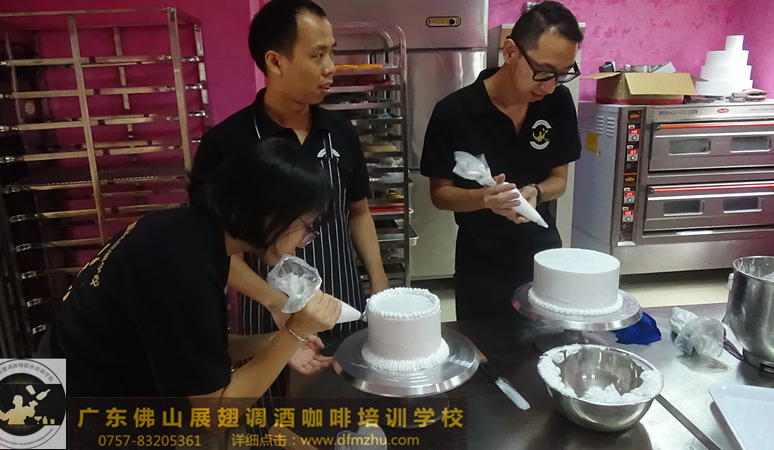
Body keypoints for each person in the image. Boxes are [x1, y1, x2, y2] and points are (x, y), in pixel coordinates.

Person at [36, 138, 341, 398]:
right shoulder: (183, 268)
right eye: (307, 227)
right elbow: (214, 415)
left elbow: (194, 349)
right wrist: (295, 332)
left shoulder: (187, 232)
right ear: (270, 215)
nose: (305, 241)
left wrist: (277, 342)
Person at [190, 0, 388, 366]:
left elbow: (359, 213)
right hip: (269, 308)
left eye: (332, 53)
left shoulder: (340, 133)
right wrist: (274, 301)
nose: (331, 67)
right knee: (276, 396)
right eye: (317, 55)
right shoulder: (226, 143)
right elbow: (210, 245)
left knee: (346, 391)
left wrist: (379, 287)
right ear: (275, 61)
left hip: (341, 302)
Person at [420, 1, 583, 321]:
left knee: (545, 341)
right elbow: (440, 194)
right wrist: (484, 198)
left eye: (562, 74)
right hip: (481, 261)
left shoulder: (558, 103)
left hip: (542, 253)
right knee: (483, 343)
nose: (550, 86)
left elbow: (559, 181)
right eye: (543, 71)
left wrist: (536, 191)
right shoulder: (454, 112)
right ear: (510, 52)